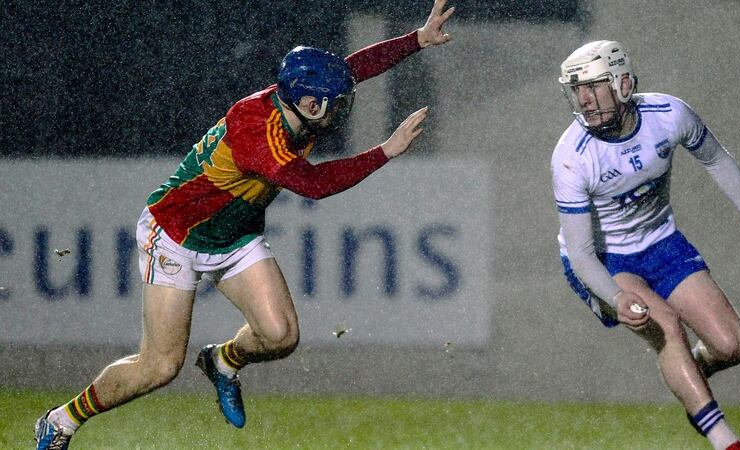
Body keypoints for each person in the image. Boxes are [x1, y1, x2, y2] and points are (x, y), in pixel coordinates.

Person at [34, 1, 455, 448]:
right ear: (310, 103)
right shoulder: (256, 131)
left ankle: (222, 361)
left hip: (235, 236)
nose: (341, 110)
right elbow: (314, 185)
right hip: (176, 234)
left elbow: (355, 67)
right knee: (159, 367)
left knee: (280, 336)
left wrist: (416, 39)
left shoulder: (301, 102)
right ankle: (61, 420)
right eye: (336, 105)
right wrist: (384, 152)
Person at [551, 40, 740, 450]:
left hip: (661, 243)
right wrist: (614, 296)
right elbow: (581, 253)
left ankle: (688, 378)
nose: (584, 101)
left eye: (593, 86)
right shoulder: (571, 156)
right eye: (577, 91)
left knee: (732, 346)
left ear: (624, 83)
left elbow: (715, 158)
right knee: (665, 326)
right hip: (604, 261)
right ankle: (727, 442)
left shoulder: (669, 113)